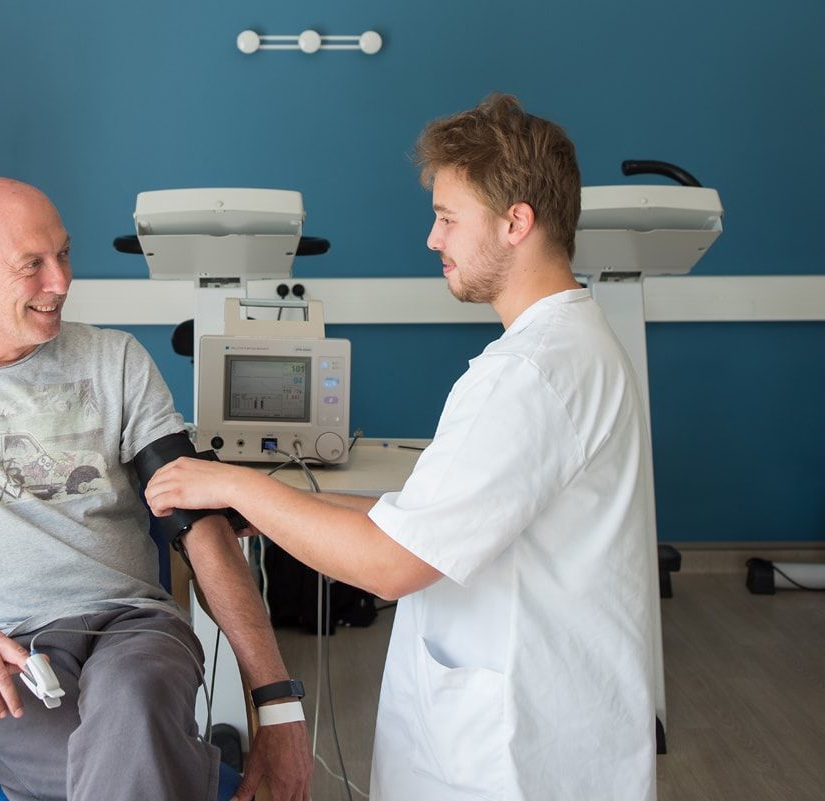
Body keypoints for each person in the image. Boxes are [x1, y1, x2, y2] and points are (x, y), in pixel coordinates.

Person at [145, 94, 658, 801]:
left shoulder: (529, 374)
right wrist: (272, 508)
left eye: (448, 218)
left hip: (513, 755)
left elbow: (390, 563)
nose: (432, 238)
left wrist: (236, 487)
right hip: (537, 723)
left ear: (516, 223)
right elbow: (419, 514)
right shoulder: (569, 346)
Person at [0, 177, 312, 801]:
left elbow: (199, 525)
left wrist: (275, 702)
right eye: (33, 265)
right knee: (133, 757)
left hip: (134, 629)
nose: (60, 282)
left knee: (134, 706)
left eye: (64, 254)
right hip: (5, 660)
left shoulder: (117, 361)